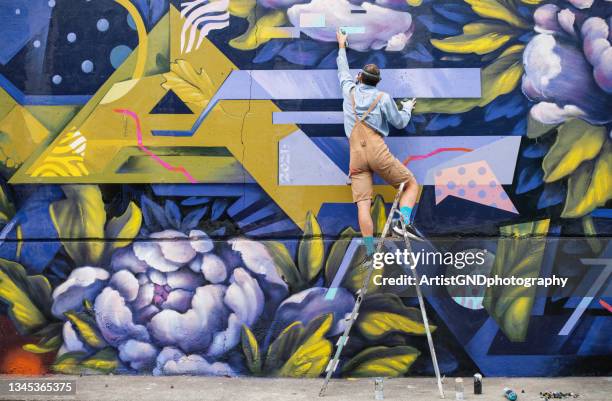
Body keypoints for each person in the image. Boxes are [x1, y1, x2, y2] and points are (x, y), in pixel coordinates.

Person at [336, 29, 424, 258]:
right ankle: (401, 223)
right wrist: (406, 108)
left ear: (360, 77)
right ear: (376, 82)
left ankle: (369, 249)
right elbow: (400, 122)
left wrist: (342, 46)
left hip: (355, 155)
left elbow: (342, 71)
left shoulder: (349, 91)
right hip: (377, 151)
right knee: (410, 184)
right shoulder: (382, 97)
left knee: (363, 204)